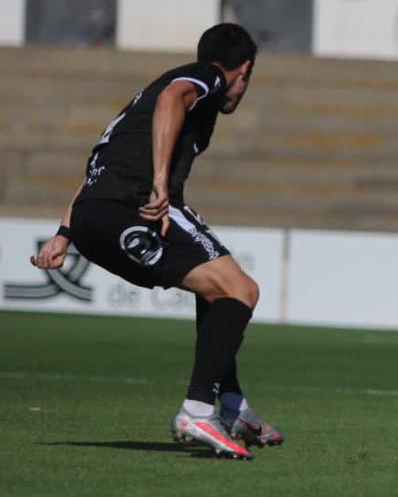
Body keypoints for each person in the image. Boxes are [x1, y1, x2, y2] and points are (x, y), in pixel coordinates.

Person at [30, 23, 283, 460]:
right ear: (245, 68)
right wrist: (161, 183)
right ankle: (198, 410)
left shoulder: (139, 104)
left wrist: (65, 232)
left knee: (217, 287)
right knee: (242, 290)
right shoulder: (206, 77)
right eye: (247, 78)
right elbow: (173, 98)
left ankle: (231, 403)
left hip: (94, 213)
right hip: (134, 206)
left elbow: (99, 166)